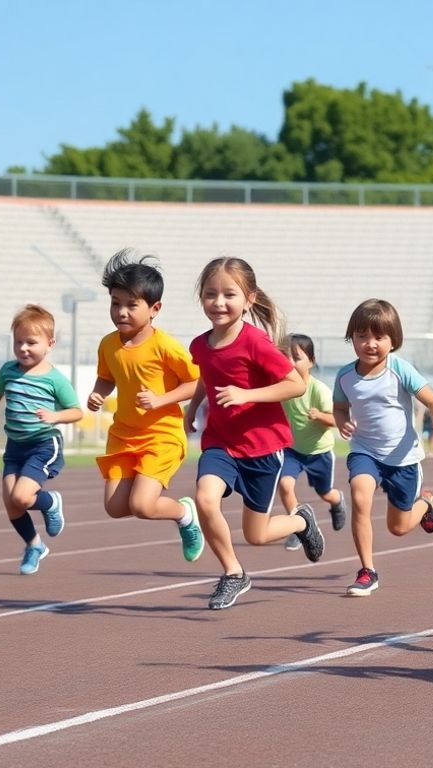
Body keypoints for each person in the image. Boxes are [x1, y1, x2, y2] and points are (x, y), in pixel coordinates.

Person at [183, 257, 324, 610]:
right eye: (210, 294)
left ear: (249, 299)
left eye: (229, 294)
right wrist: (192, 407)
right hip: (220, 441)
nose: (218, 302)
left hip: (262, 447)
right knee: (204, 498)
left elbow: (293, 384)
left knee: (256, 534)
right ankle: (233, 573)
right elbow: (206, 374)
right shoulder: (199, 345)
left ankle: (300, 521)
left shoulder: (256, 343)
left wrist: (248, 394)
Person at [86, 250, 204, 564]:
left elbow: (196, 382)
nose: (121, 312)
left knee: (141, 505)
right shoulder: (108, 344)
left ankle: (184, 514)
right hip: (124, 436)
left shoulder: (165, 346)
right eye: (115, 303)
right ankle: (178, 511)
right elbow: (105, 377)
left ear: (154, 309)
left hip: (161, 436)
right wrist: (98, 394)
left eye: (131, 304)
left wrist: (161, 399)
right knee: (115, 508)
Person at [333, 299, 433, 597]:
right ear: (352, 338)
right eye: (362, 336)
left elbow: (431, 399)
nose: (370, 344)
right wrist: (342, 421)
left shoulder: (399, 369)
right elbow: (339, 407)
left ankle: (426, 504)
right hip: (365, 450)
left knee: (399, 527)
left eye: (379, 337)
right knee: (359, 494)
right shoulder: (345, 375)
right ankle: (367, 571)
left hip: (402, 457)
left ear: (393, 340)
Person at [0, 305, 83, 574]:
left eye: (31, 342)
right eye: (18, 342)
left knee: (22, 496)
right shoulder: (8, 370)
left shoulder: (54, 379)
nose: (24, 348)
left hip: (43, 445)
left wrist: (55, 416)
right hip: (14, 447)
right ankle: (34, 545)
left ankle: (51, 502)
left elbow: (76, 411)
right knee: (11, 503)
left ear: (50, 344)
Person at [276, 334, 348, 552]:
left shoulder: (320, 391)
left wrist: (320, 416)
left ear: (311, 361)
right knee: (285, 485)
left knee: (324, 493)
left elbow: (337, 419)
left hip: (319, 452)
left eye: (296, 358)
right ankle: (299, 527)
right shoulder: (282, 387)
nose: (290, 363)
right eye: (285, 357)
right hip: (293, 451)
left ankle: (337, 502)